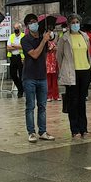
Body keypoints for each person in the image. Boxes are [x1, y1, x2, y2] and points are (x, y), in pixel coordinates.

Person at [57, 14, 91, 139]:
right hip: (71, 72)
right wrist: (65, 69)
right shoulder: (64, 38)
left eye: (77, 22)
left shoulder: (84, 36)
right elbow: (59, 56)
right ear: (68, 24)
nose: (75, 24)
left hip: (85, 70)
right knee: (73, 102)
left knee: (82, 101)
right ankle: (75, 129)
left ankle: (84, 128)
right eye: (73, 22)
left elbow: (88, 53)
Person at [20, 13, 55, 142]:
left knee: (42, 105)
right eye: (30, 22)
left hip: (42, 76)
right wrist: (43, 41)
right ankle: (31, 132)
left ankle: (43, 131)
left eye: (35, 21)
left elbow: (51, 43)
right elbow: (34, 54)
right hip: (29, 77)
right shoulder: (25, 40)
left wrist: (49, 36)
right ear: (27, 26)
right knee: (30, 106)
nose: (33, 24)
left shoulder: (42, 37)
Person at [6, 23, 25, 98]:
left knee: (21, 75)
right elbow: (8, 48)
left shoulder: (23, 36)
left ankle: (20, 91)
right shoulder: (11, 36)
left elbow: (24, 46)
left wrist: (14, 46)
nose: (16, 29)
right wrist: (18, 47)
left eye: (17, 28)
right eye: (14, 28)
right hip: (13, 57)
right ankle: (20, 88)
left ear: (20, 28)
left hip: (21, 58)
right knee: (13, 74)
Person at [45, 25, 60, 102]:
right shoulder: (44, 42)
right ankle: (49, 95)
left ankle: (56, 95)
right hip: (47, 63)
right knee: (48, 81)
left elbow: (58, 49)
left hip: (54, 63)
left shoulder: (55, 41)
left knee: (55, 80)